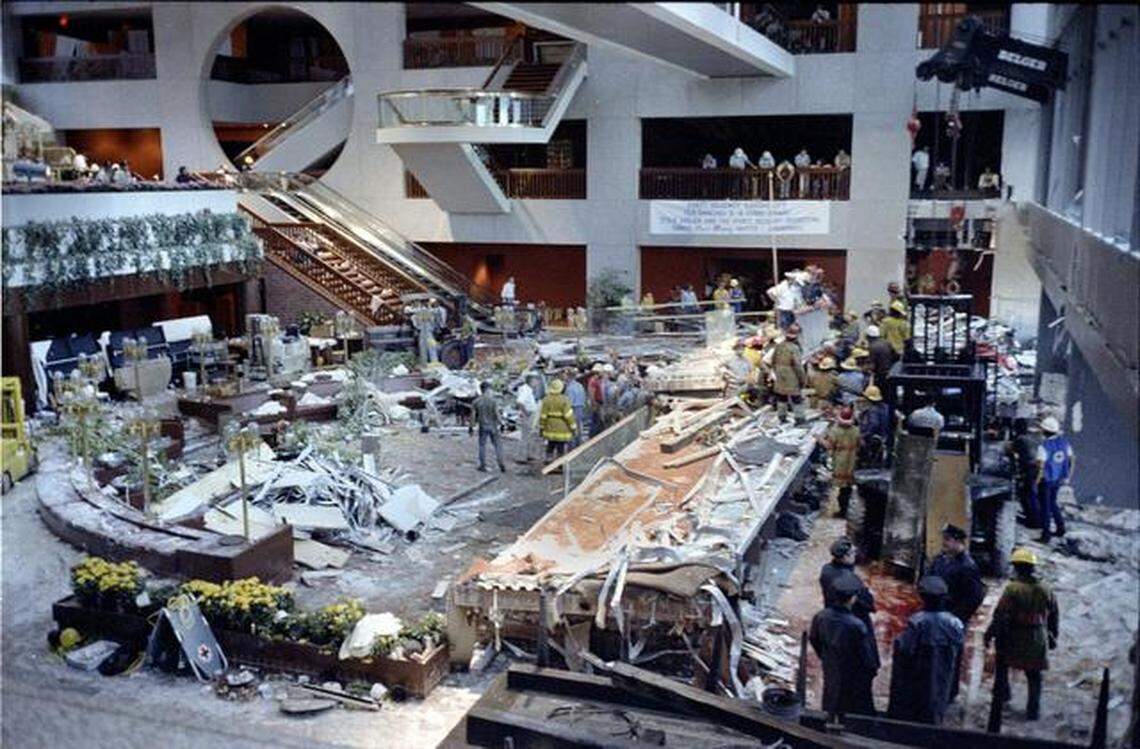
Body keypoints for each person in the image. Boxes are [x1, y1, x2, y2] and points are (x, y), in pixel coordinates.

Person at [984, 548, 1059, 721]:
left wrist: (990, 634)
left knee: (1002, 666)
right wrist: (1053, 636)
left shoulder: (1013, 589)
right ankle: (1033, 710)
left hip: (1014, 636)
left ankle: (1003, 696)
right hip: (1037, 636)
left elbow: (1000, 615)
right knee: (1034, 675)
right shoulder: (1046, 589)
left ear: (1017, 567)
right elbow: (1054, 615)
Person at [888, 575, 965, 725]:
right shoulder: (955, 623)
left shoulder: (917, 622)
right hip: (943, 675)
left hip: (920, 675)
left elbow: (904, 648)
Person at [809, 570, 880, 721]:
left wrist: (825, 656)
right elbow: (866, 655)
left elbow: (814, 638)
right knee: (851, 701)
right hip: (852, 668)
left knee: (831, 693)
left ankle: (828, 719)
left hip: (831, 663)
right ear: (852, 599)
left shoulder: (821, 616)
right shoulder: (857, 625)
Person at [1034, 415, 1074, 542]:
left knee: (1045, 507)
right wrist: (1067, 475)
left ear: (1045, 431)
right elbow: (1072, 459)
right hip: (1058, 479)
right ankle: (1060, 528)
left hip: (1046, 481)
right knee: (1052, 503)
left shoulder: (1044, 446)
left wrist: (1036, 481)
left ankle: (1046, 535)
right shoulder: (1064, 442)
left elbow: (1040, 466)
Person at [823, 406, 860, 518]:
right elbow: (860, 444)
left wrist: (819, 438)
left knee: (841, 487)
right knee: (847, 487)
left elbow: (829, 445)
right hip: (852, 461)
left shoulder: (835, 431)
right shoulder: (855, 430)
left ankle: (842, 511)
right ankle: (845, 508)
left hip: (840, 461)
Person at [1008, 418, 1043, 527]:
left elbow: (1010, 450)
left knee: (1027, 495)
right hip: (1038, 467)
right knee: (1032, 494)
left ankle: (1034, 520)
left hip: (1029, 469)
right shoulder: (1034, 437)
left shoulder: (1020, 439)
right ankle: (1035, 517)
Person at [771, 324, 807, 422]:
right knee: (797, 399)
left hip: (780, 375)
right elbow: (798, 367)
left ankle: (781, 417)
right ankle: (800, 419)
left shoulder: (779, 346)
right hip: (791, 376)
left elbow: (773, 361)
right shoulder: (794, 348)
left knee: (781, 397)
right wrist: (803, 380)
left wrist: (777, 373)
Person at [539, 378, 577, 460]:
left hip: (549, 427)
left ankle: (548, 460)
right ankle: (559, 463)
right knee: (561, 447)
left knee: (550, 444)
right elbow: (568, 415)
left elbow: (543, 416)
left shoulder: (546, 399)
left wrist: (541, 428)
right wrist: (573, 427)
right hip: (562, 428)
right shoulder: (565, 399)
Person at [473, 382, 506, 473]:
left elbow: (473, 416)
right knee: (497, 445)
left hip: (483, 426)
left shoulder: (476, 401)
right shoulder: (493, 401)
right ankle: (501, 463)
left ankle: (482, 465)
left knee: (482, 446)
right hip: (493, 426)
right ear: (487, 389)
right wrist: (502, 423)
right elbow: (497, 414)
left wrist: (471, 427)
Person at [514, 374, 541, 473]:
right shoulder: (526, 390)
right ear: (531, 381)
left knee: (528, 435)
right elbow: (519, 402)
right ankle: (522, 456)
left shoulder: (526, 389)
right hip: (528, 415)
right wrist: (526, 412)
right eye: (536, 380)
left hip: (528, 413)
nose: (537, 383)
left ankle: (528, 454)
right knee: (526, 435)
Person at [859, 385, 890, 464]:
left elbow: (874, 425)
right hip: (883, 437)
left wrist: (864, 436)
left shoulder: (873, 410)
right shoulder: (885, 407)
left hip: (874, 439)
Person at [563, 369, 588, 448]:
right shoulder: (579, 386)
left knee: (572, 429)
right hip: (580, 409)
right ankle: (579, 445)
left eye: (565, 375)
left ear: (569, 376)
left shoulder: (570, 388)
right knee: (579, 428)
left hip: (573, 409)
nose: (564, 377)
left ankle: (572, 447)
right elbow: (584, 398)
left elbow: (569, 402)